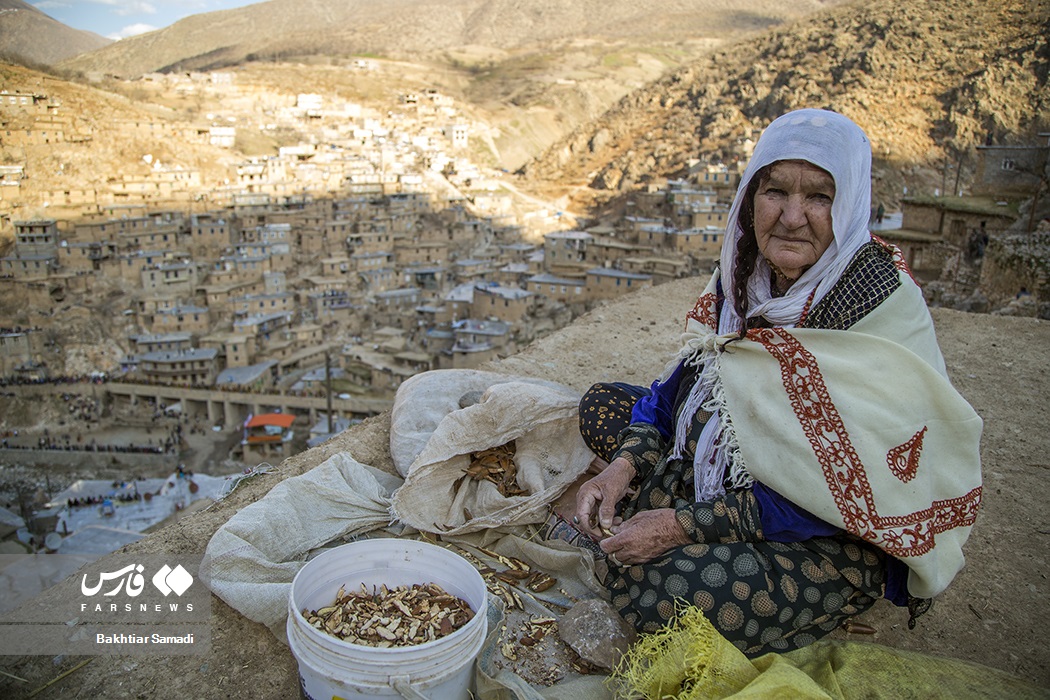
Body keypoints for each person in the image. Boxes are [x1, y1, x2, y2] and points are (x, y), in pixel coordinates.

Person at [562, 109, 983, 657]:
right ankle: (676, 502)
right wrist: (624, 466)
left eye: (819, 197)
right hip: (737, 465)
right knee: (603, 404)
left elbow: (836, 491)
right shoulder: (742, 274)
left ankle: (819, 594)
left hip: (830, 526)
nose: (791, 217)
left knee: (665, 593)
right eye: (775, 191)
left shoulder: (875, 305)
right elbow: (680, 388)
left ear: (849, 204)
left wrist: (681, 526)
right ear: (750, 197)